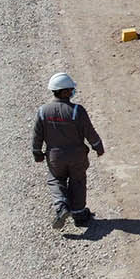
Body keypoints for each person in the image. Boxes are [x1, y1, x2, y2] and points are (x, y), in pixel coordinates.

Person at [32, 72, 105, 229]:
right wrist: (98, 146)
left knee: (56, 179)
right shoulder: (77, 111)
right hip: (77, 156)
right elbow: (89, 132)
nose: (72, 92)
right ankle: (79, 214)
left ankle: (62, 206)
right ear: (65, 91)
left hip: (55, 157)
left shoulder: (43, 111)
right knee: (77, 181)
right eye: (71, 89)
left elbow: (37, 134)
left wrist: (37, 152)